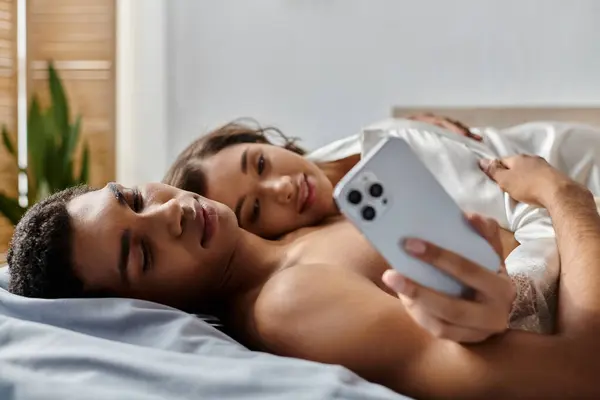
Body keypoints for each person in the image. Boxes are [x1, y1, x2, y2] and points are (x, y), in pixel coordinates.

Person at [6, 156, 600, 398]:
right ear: (150, 305)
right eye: (143, 255)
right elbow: (579, 371)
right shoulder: (290, 304)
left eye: (134, 197)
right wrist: (562, 194)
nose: (170, 215)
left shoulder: (288, 239)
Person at [165, 114, 600, 334]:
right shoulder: (334, 244)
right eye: (255, 209)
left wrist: (517, 295)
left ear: (267, 143)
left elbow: (535, 213)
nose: (281, 186)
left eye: (259, 163)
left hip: (581, 165)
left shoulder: (388, 143)